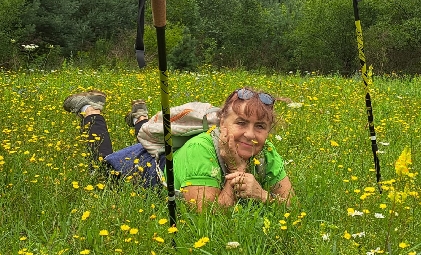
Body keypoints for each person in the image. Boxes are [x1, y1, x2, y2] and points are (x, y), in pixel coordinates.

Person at [63, 87, 293, 211]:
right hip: (137, 168)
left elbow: (292, 205)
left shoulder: (266, 151)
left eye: (260, 126)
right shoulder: (201, 149)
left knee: (154, 136)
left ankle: (140, 117)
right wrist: (237, 169)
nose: (250, 135)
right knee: (100, 162)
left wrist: (263, 196)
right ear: (222, 122)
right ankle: (90, 109)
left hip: (171, 155)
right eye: (241, 123)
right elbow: (209, 217)